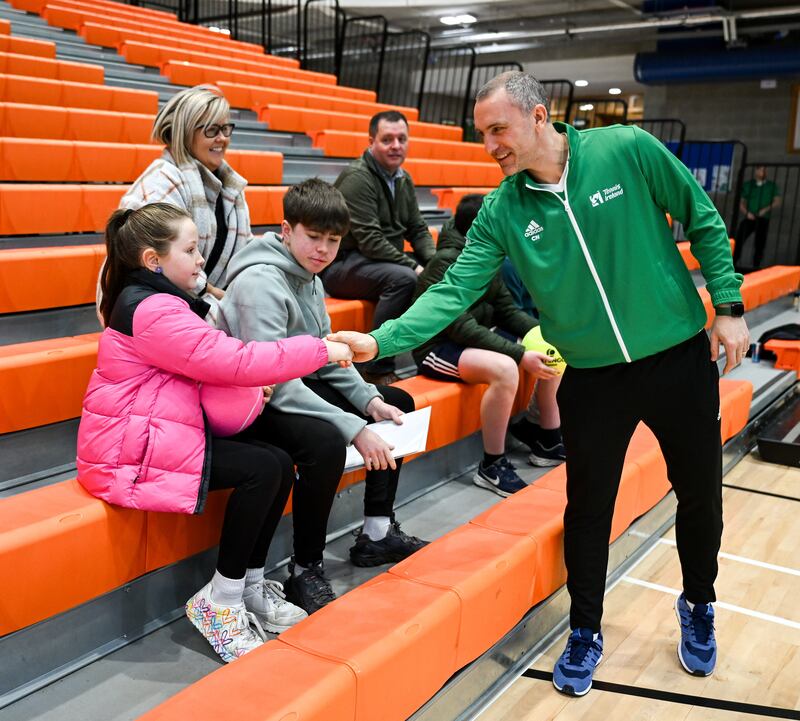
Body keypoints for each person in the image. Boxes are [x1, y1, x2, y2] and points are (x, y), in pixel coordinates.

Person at [329, 71, 750, 696]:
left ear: (539, 116)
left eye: (499, 129)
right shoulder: (503, 207)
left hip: (677, 359)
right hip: (594, 377)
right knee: (587, 510)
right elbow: (453, 289)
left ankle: (698, 603)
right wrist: (381, 340)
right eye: (482, 133)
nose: (491, 144)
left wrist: (730, 304)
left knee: (700, 495)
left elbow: (703, 217)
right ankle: (585, 629)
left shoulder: (626, 149)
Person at [76, 203, 353, 663]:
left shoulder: (157, 300)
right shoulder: (151, 310)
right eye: (190, 250)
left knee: (279, 460)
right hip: (128, 451)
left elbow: (212, 364)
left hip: (156, 429)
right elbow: (234, 360)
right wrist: (321, 349)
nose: (201, 259)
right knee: (262, 468)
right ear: (154, 261)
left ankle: (245, 585)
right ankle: (218, 602)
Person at [216, 179, 427, 615]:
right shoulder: (261, 282)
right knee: (325, 442)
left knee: (397, 405)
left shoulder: (309, 276)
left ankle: (375, 532)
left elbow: (327, 356)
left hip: (291, 382)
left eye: (333, 241)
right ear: (286, 229)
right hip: (250, 397)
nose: (323, 250)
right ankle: (305, 568)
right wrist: (353, 428)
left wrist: (369, 402)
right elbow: (274, 380)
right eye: (313, 237)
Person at [413, 193, 564, 498]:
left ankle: (547, 439)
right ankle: (491, 465)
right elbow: (460, 326)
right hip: (437, 347)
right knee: (506, 369)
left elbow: (507, 310)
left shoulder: (486, 254)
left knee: (551, 345)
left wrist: (544, 334)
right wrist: (520, 354)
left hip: (470, 339)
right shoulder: (445, 263)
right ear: (479, 227)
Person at [322, 110, 437, 385]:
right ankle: (377, 366)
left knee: (437, 272)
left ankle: (433, 356)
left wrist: (434, 264)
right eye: (387, 139)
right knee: (404, 278)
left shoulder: (402, 177)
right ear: (372, 140)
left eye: (401, 139)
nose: (396, 145)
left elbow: (417, 228)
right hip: (342, 265)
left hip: (378, 262)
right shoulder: (358, 179)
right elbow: (371, 240)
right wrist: (415, 267)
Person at [116, 85, 251, 318]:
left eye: (226, 128)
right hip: (156, 308)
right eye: (211, 130)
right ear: (186, 133)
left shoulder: (231, 185)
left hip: (201, 302)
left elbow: (246, 253)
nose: (222, 138)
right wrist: (211, 292)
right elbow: (157, 267)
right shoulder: (161, 181)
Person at [733, 165, 781, 270]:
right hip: (750, 217)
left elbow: (777, 201)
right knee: (739, 240)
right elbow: (741, 202)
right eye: (760, 170)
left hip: (763, 218)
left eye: (764, 170)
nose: (762, 172)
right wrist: (747, 213)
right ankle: (733, 264)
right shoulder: (748, 185)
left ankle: (756, 266)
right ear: (756, 171)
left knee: (759, 244)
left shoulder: (771, 186)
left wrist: (765, 210)